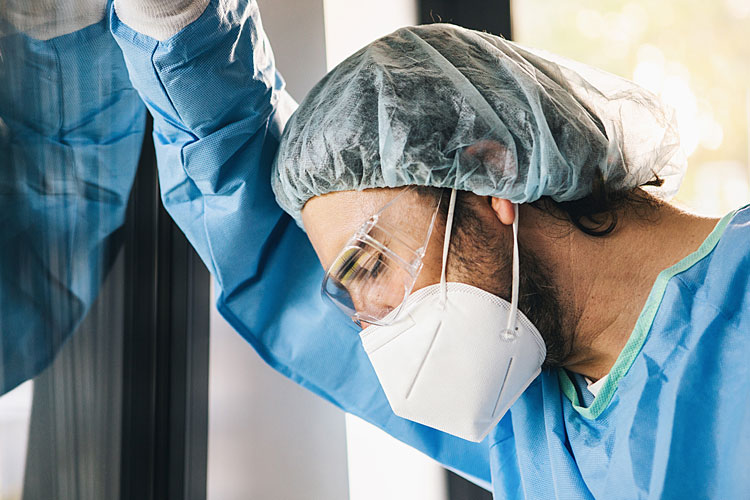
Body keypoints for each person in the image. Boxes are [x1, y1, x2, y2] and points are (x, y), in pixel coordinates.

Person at [6, 0, 749, 498]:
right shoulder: (537, 424)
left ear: (491, 171)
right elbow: (276, 249)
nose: (369, 325)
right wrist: (177, 27)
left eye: (368, 267)